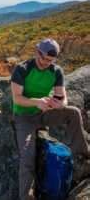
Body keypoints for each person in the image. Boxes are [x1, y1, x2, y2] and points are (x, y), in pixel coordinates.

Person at [11, 38, 90, 200]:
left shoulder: (56, 71)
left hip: (45, 113)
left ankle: (82, 154)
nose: (46, 63)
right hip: (24, 117)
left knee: (73, 112)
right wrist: (36, 102)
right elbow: (17, 99)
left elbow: (63, 98)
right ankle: (26, 196)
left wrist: (59, 104)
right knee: (27, 155)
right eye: (43, 58)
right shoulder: (22, 69)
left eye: (50, 60)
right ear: (37, 52)